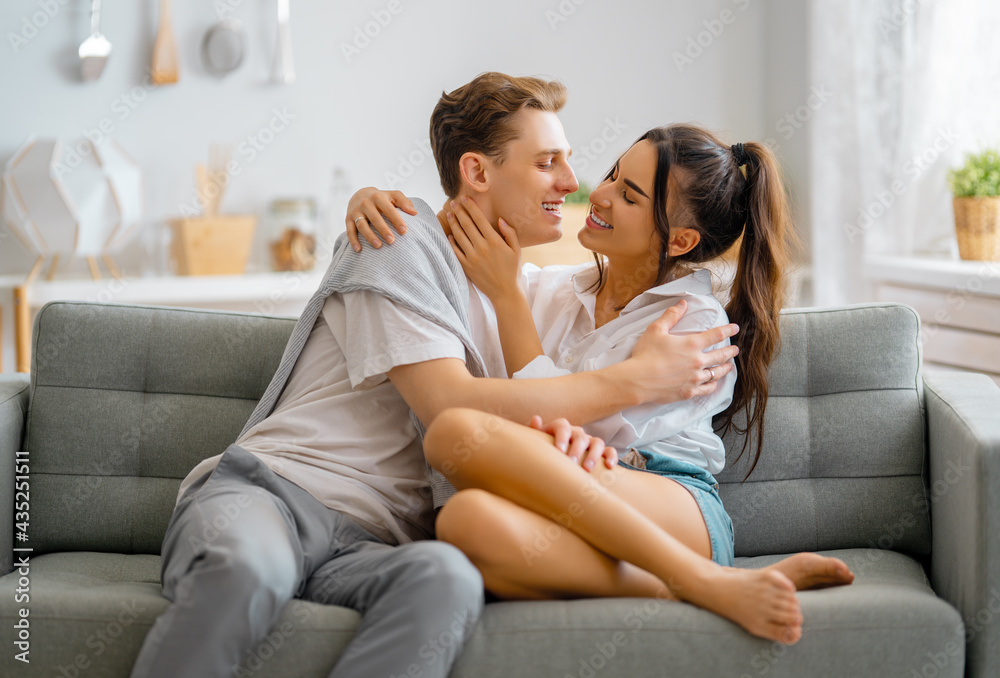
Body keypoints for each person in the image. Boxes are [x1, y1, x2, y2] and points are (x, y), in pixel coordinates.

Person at [130, 73, 741, 678]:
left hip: (382, 540)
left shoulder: (524, 293)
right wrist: (634, 380)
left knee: (448, 577)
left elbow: (540, 404)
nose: (574, 185)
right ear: (478, 173)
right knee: (247, 567)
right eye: (547, 162)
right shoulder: (399, 238)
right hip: (279, 494)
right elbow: (450, 407)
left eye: (573, 163)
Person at [347, 124, 856, 645]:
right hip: (573, 509)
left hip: (668, 501)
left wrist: (508, 302)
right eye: (613, 175)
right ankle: (712, 587)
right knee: (463, 521)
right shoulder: (555, 289)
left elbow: (571, 422)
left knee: (454, 433)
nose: (600, 193)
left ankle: (701, 574)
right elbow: (456, 250)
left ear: (680, 240)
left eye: (629, 195)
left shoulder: (694, 325)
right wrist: (374, 202)